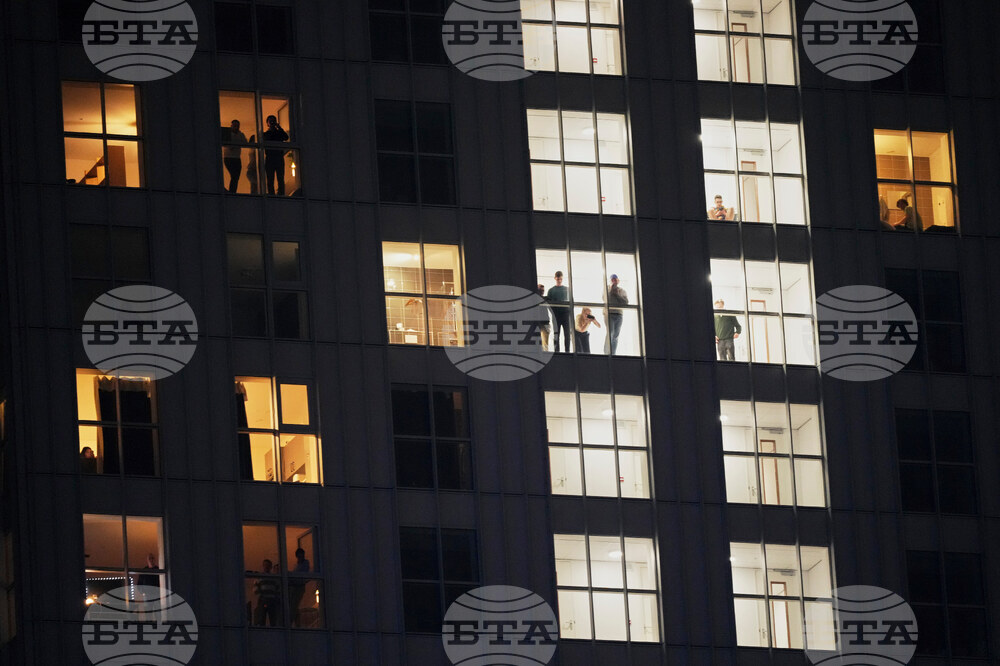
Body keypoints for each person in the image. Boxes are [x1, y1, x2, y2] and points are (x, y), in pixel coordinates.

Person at [263, 115, 289, 196]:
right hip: (270, 158)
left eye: (273, 121)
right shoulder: (266, 134)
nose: (272, 123)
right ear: (267, 123)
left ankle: (280, 194)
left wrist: (279, 128)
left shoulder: (278, 133)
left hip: (278, 158)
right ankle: (272, 195)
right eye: (270, 121)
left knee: (280, 178)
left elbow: (286, 137)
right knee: (270, 179)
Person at [546, 272, 572, 352]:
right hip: (556, 315)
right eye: (558, 279)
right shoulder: (551, 291)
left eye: (560, 279)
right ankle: (557, 351)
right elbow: (549, 304)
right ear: (555, 278)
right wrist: (554, 312)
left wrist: (569, 312)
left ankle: (567, 351)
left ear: (562, 278)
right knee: (556, 334)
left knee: (567, 334)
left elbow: (571, 302)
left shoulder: (567, 289)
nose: (559, 280)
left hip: (565, 314)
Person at [253, 559, 281, 626]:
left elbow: (278, 589)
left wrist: (276, 598)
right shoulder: (260, 577)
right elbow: (255, 589)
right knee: (262, 617)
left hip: (271, 601)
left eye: (268, 565)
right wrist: (261, 595)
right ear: (263, 566)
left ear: (270, 567)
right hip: (263, 600)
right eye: (265, 565)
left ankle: (272, 631)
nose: (266, 567)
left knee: (272, 618)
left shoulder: (273, 578)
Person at [223, 119, 247, 193]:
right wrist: (236, 144)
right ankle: (232, 192)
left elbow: (245, 143)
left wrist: (234, 145)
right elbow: (225, 144)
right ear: (231, 126)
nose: (236, 127)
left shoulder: (241, 134)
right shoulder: (228, 134)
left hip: (237, 158)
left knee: (236, 177)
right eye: (234, 126)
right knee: (234, 176)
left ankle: (232, 192)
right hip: (228, 158)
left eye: (237, 126)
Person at [288, 548, 310, 627]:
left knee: (294, 605)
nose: (301, 558)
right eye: (300, 556)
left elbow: (302, 575)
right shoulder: (296, 565)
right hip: (294, 587)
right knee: (293, 605)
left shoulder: (305, 564)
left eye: (302, 556)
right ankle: (296, 624)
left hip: (299, 587)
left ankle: (290, 623)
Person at [607, 274, 628, 355]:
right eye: (612, 280)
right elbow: (604, 300)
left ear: (618, 281)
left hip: (619, 314)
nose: (614, 281)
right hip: (610, 313)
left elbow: (625, 302)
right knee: (611, 333)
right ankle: (608, 352)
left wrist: (617, 294)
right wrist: (610, 292)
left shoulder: (622, 291)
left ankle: (613, 353)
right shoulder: (607, 289)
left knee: (616, 335)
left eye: (615, 280)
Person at [536, 284, 551, 351]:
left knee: (545, 343)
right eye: (540, 290)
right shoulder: (536, 299)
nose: (542, 292)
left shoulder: (545, 299)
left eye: (543, 290)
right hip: (538, 321)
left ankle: (545, 353)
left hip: (545, 321)